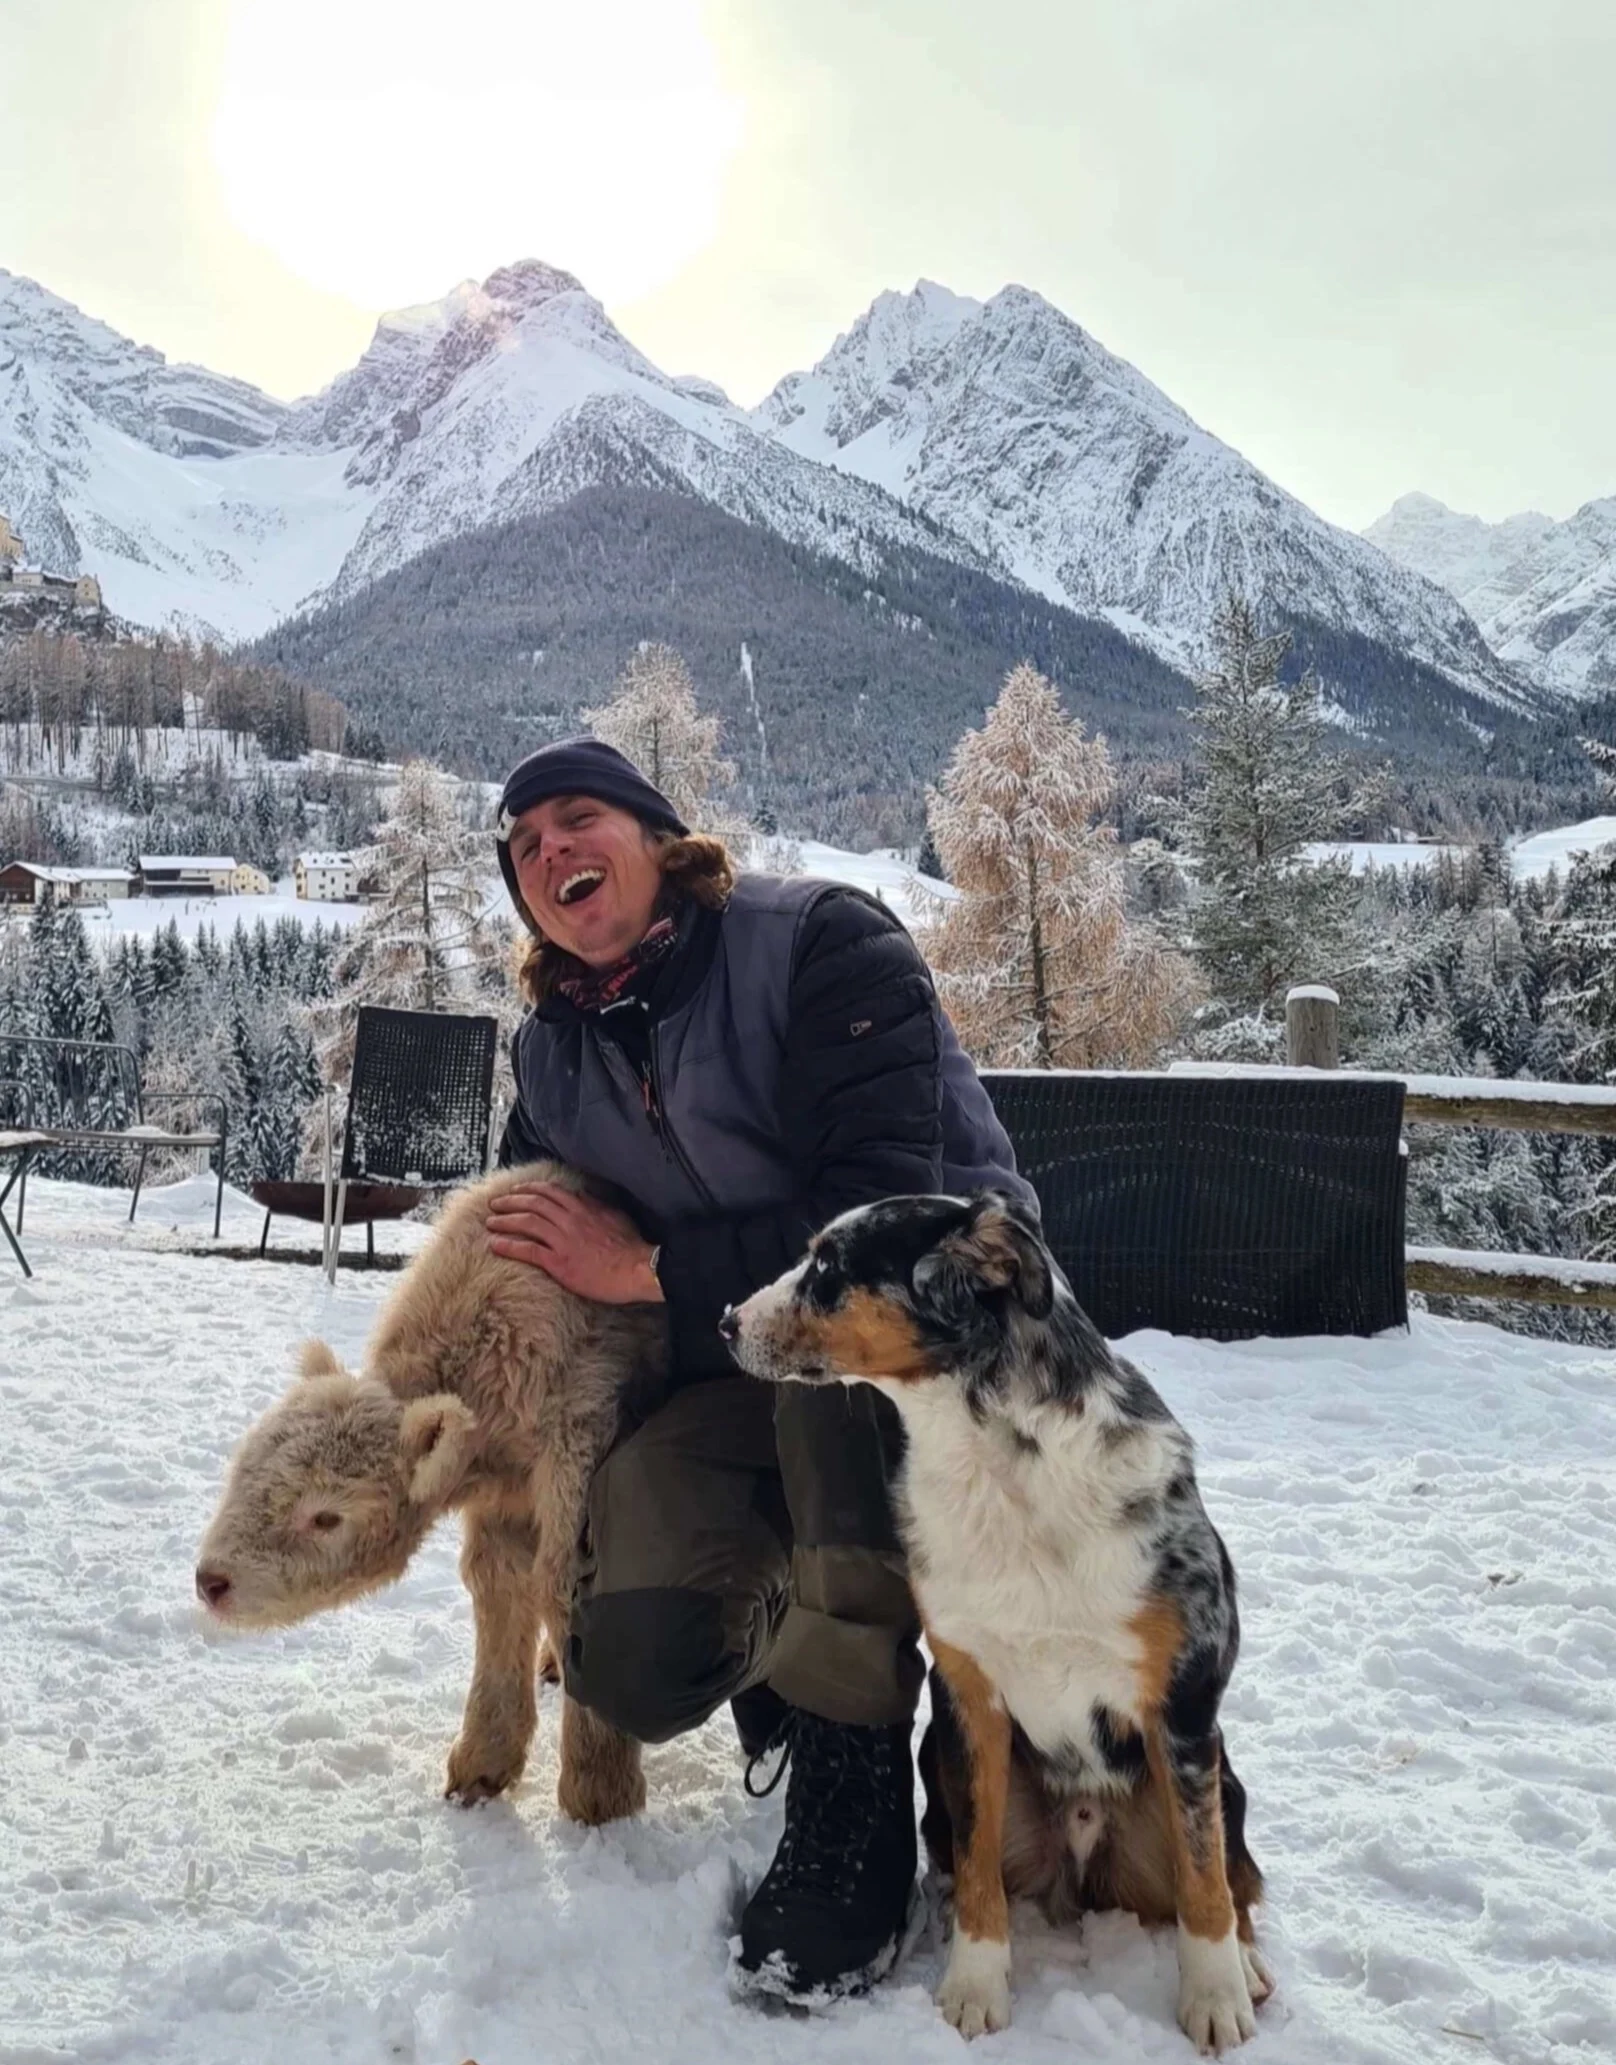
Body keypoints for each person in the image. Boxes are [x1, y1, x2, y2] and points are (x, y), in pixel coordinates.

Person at [486, 736, 1036, 2000]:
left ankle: (851, 1773)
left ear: (657, 835)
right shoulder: (551, 1053)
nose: (549, 853)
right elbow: (524, 1249)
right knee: (635, 1659)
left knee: (826, 1357)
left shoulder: (819, 944)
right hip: (725, 1351)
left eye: (575, 820)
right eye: (522, 849)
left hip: (944, 1344)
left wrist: (649, 1271)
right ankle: (790, 1653)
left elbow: (881, 1222)